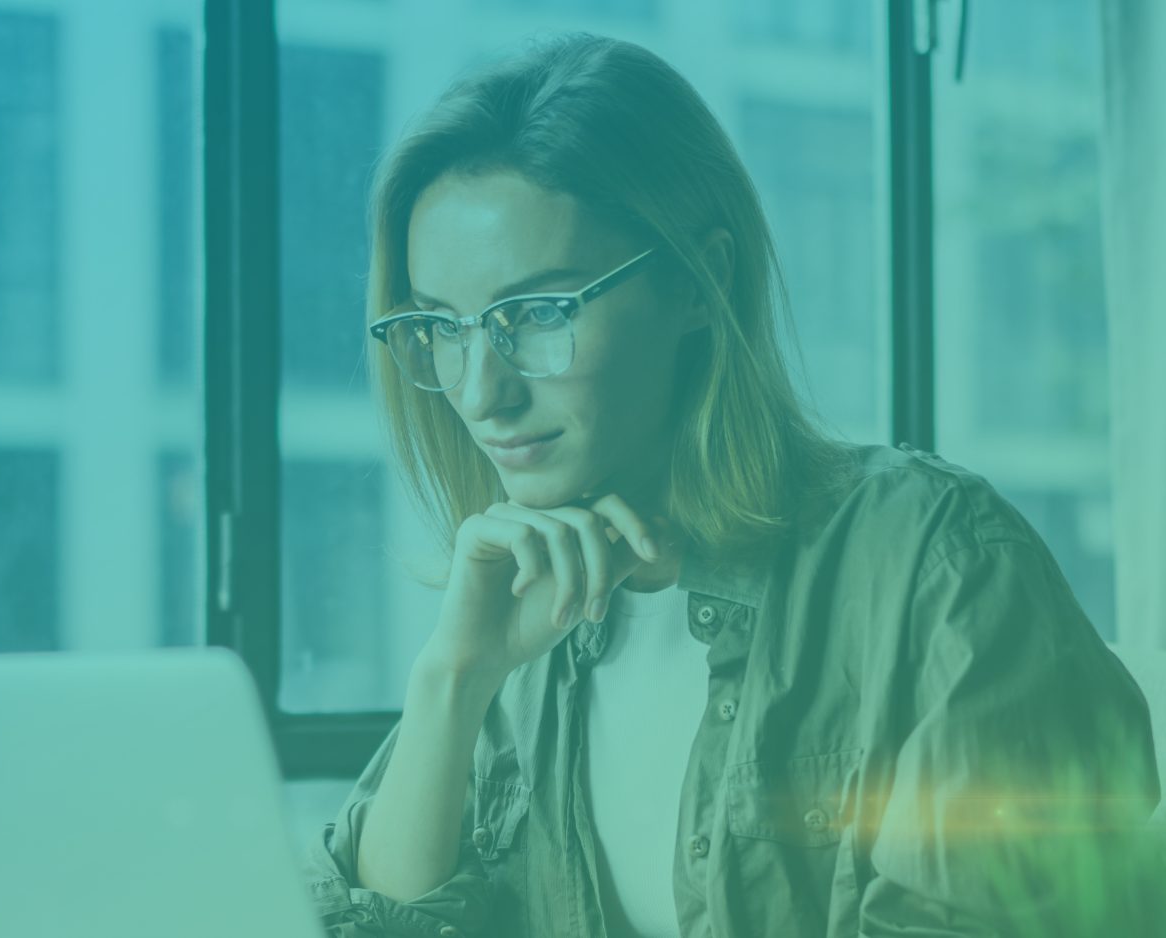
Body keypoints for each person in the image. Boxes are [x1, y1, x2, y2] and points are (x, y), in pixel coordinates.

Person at [301, 33, 1161, 938]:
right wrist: (454, 677)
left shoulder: (938, 566)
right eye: (441, 327)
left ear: (701, 281)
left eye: (540, 313)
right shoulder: (519, 620)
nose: (481, 393)